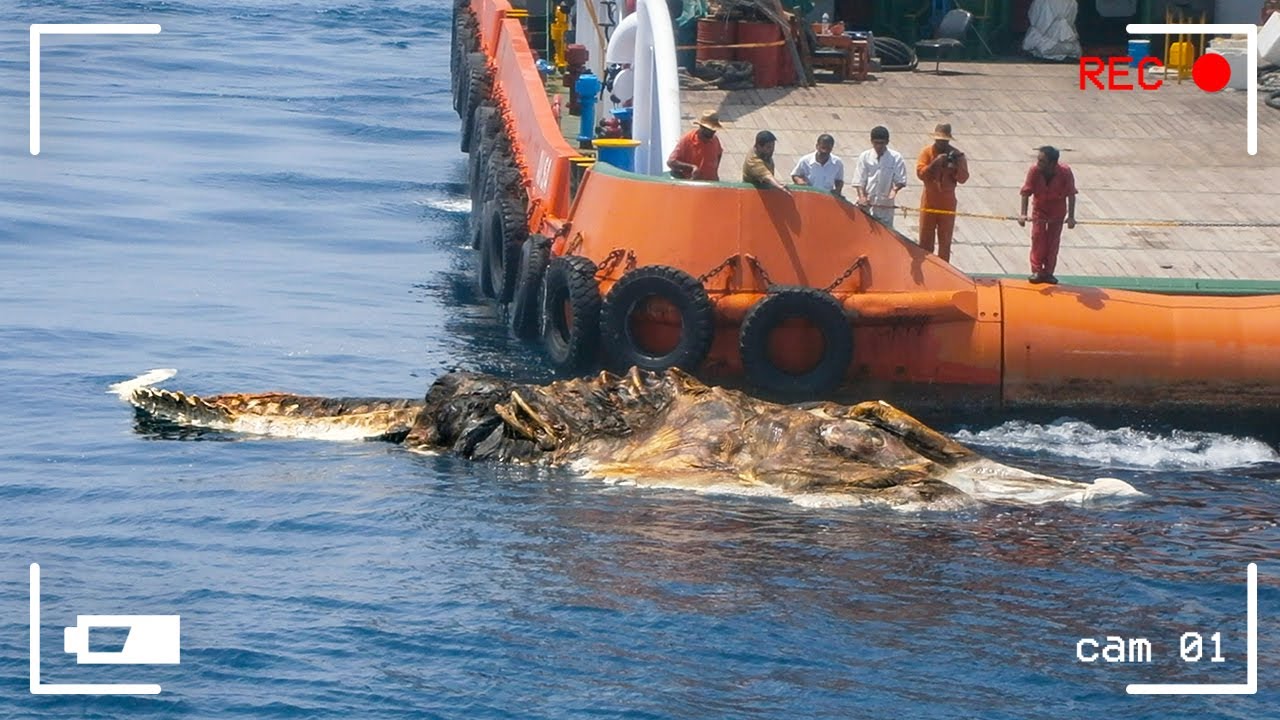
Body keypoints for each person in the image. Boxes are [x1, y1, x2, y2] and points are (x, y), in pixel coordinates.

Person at [1018, 145, 1077, 284]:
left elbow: (1071, 194)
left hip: (1057, 211)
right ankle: (1037, 271)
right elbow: (1026, 192)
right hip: (1040, 209)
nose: (1038, 163)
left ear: (1052, 163)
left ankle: (1049, 272)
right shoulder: (1034, 171)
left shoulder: (1065, 172)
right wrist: (1023, 214)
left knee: (1052, 242)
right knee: (1038, 238)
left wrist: (1071, 217)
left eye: (1042, 161)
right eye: (1038, 160)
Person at [915, 123, 969, 262]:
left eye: (944, 140)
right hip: (929, 202)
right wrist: (935, 163)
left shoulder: (957, 155)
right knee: (925, 240)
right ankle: (927, 267)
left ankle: (944, 269)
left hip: (947, 204)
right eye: (939, 140)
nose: (941, 143)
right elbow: (921, 174)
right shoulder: (927, 153)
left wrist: (956, 166)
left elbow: (963, 179)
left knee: (945, 241)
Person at [851, 126, 907, 227]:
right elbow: (859, 180)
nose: (879, 146)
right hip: (866, 204)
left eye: (882, 143)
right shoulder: (865, 156)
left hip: (885, 205)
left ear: (887, 142)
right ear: (871, 141)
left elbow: (901, 180)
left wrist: (894, 190)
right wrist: (862, 197)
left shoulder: (895, 158)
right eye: (876, 143)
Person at [667, 110, 723, 181]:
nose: (713, 132)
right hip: (693, 185)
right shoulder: (687, 140)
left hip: (711, 184)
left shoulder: (714, 139)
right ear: (701, 127)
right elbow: (671, 162)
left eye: (714, 130)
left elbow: (719, 153)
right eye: (710, 130)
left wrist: (715, 172)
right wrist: (691, 167)